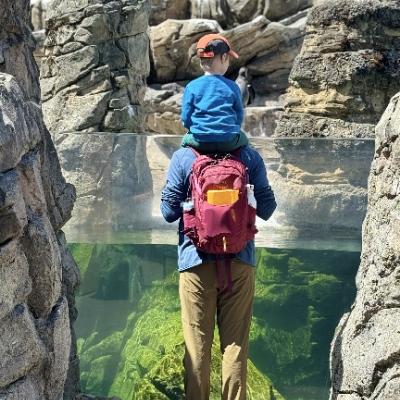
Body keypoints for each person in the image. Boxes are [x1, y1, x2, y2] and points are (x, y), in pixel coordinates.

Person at [181, 33, 249, 153]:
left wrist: (198, 130)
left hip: (200, 141)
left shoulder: (191, 86)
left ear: (201, 61)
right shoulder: (233, 86)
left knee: (185, 140)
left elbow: (186, 118)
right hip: (228, 141)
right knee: (244, 139)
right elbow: (239, 116)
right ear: (224, 57)